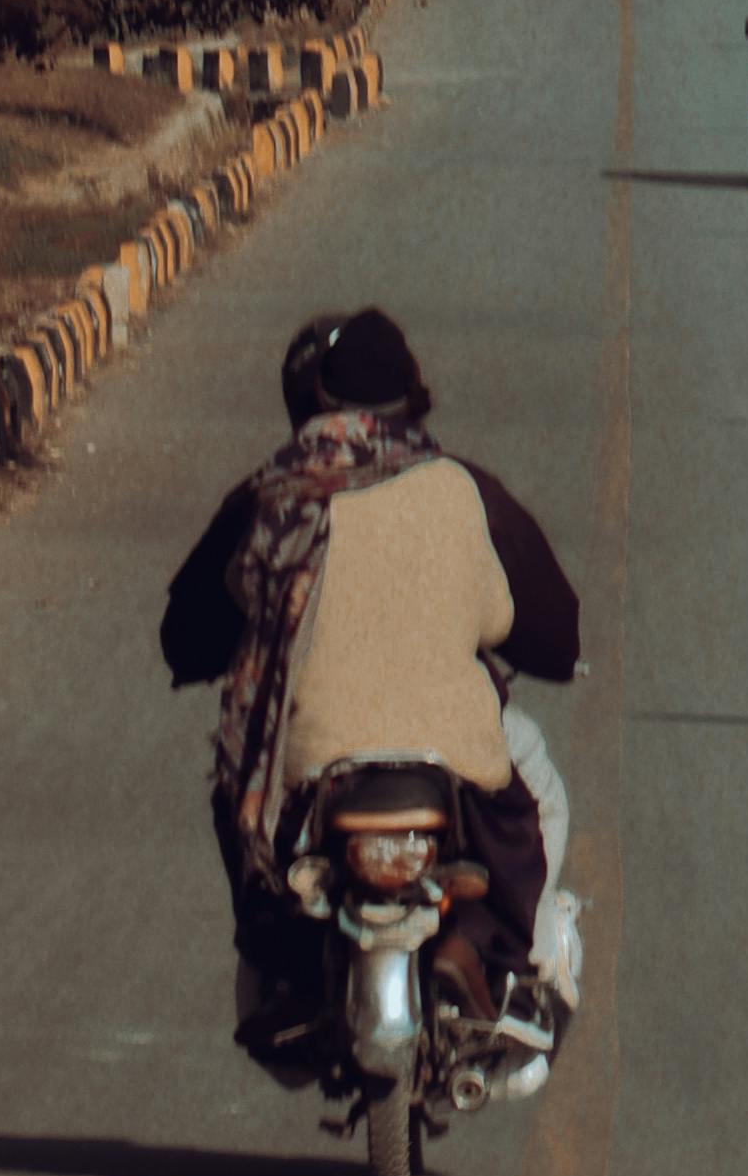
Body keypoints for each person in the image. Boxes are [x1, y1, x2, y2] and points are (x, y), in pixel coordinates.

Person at [161, 305, 582, 1080]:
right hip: (451, 750)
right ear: (412, 403)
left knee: (235, 795)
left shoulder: (275, 494)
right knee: (540, 797)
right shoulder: (462, 489)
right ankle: (499, 951)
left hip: (307, 757)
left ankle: (283, 965)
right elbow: (539, 626)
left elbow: (187, 628)